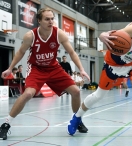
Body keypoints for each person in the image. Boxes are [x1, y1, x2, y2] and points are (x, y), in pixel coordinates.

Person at [0, 8, 90, 140]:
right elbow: (20, 52)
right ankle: (6, 124)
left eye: (52, 18)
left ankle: (77, 120)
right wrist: (10, 68)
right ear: (39, 21)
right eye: (47, 19)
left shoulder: (59, 34)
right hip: (36, 68)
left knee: (76, 91)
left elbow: (72, 53)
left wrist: (81, 69)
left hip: (53, 68)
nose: (51, 21)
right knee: (28, 94)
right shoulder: (30, 36)